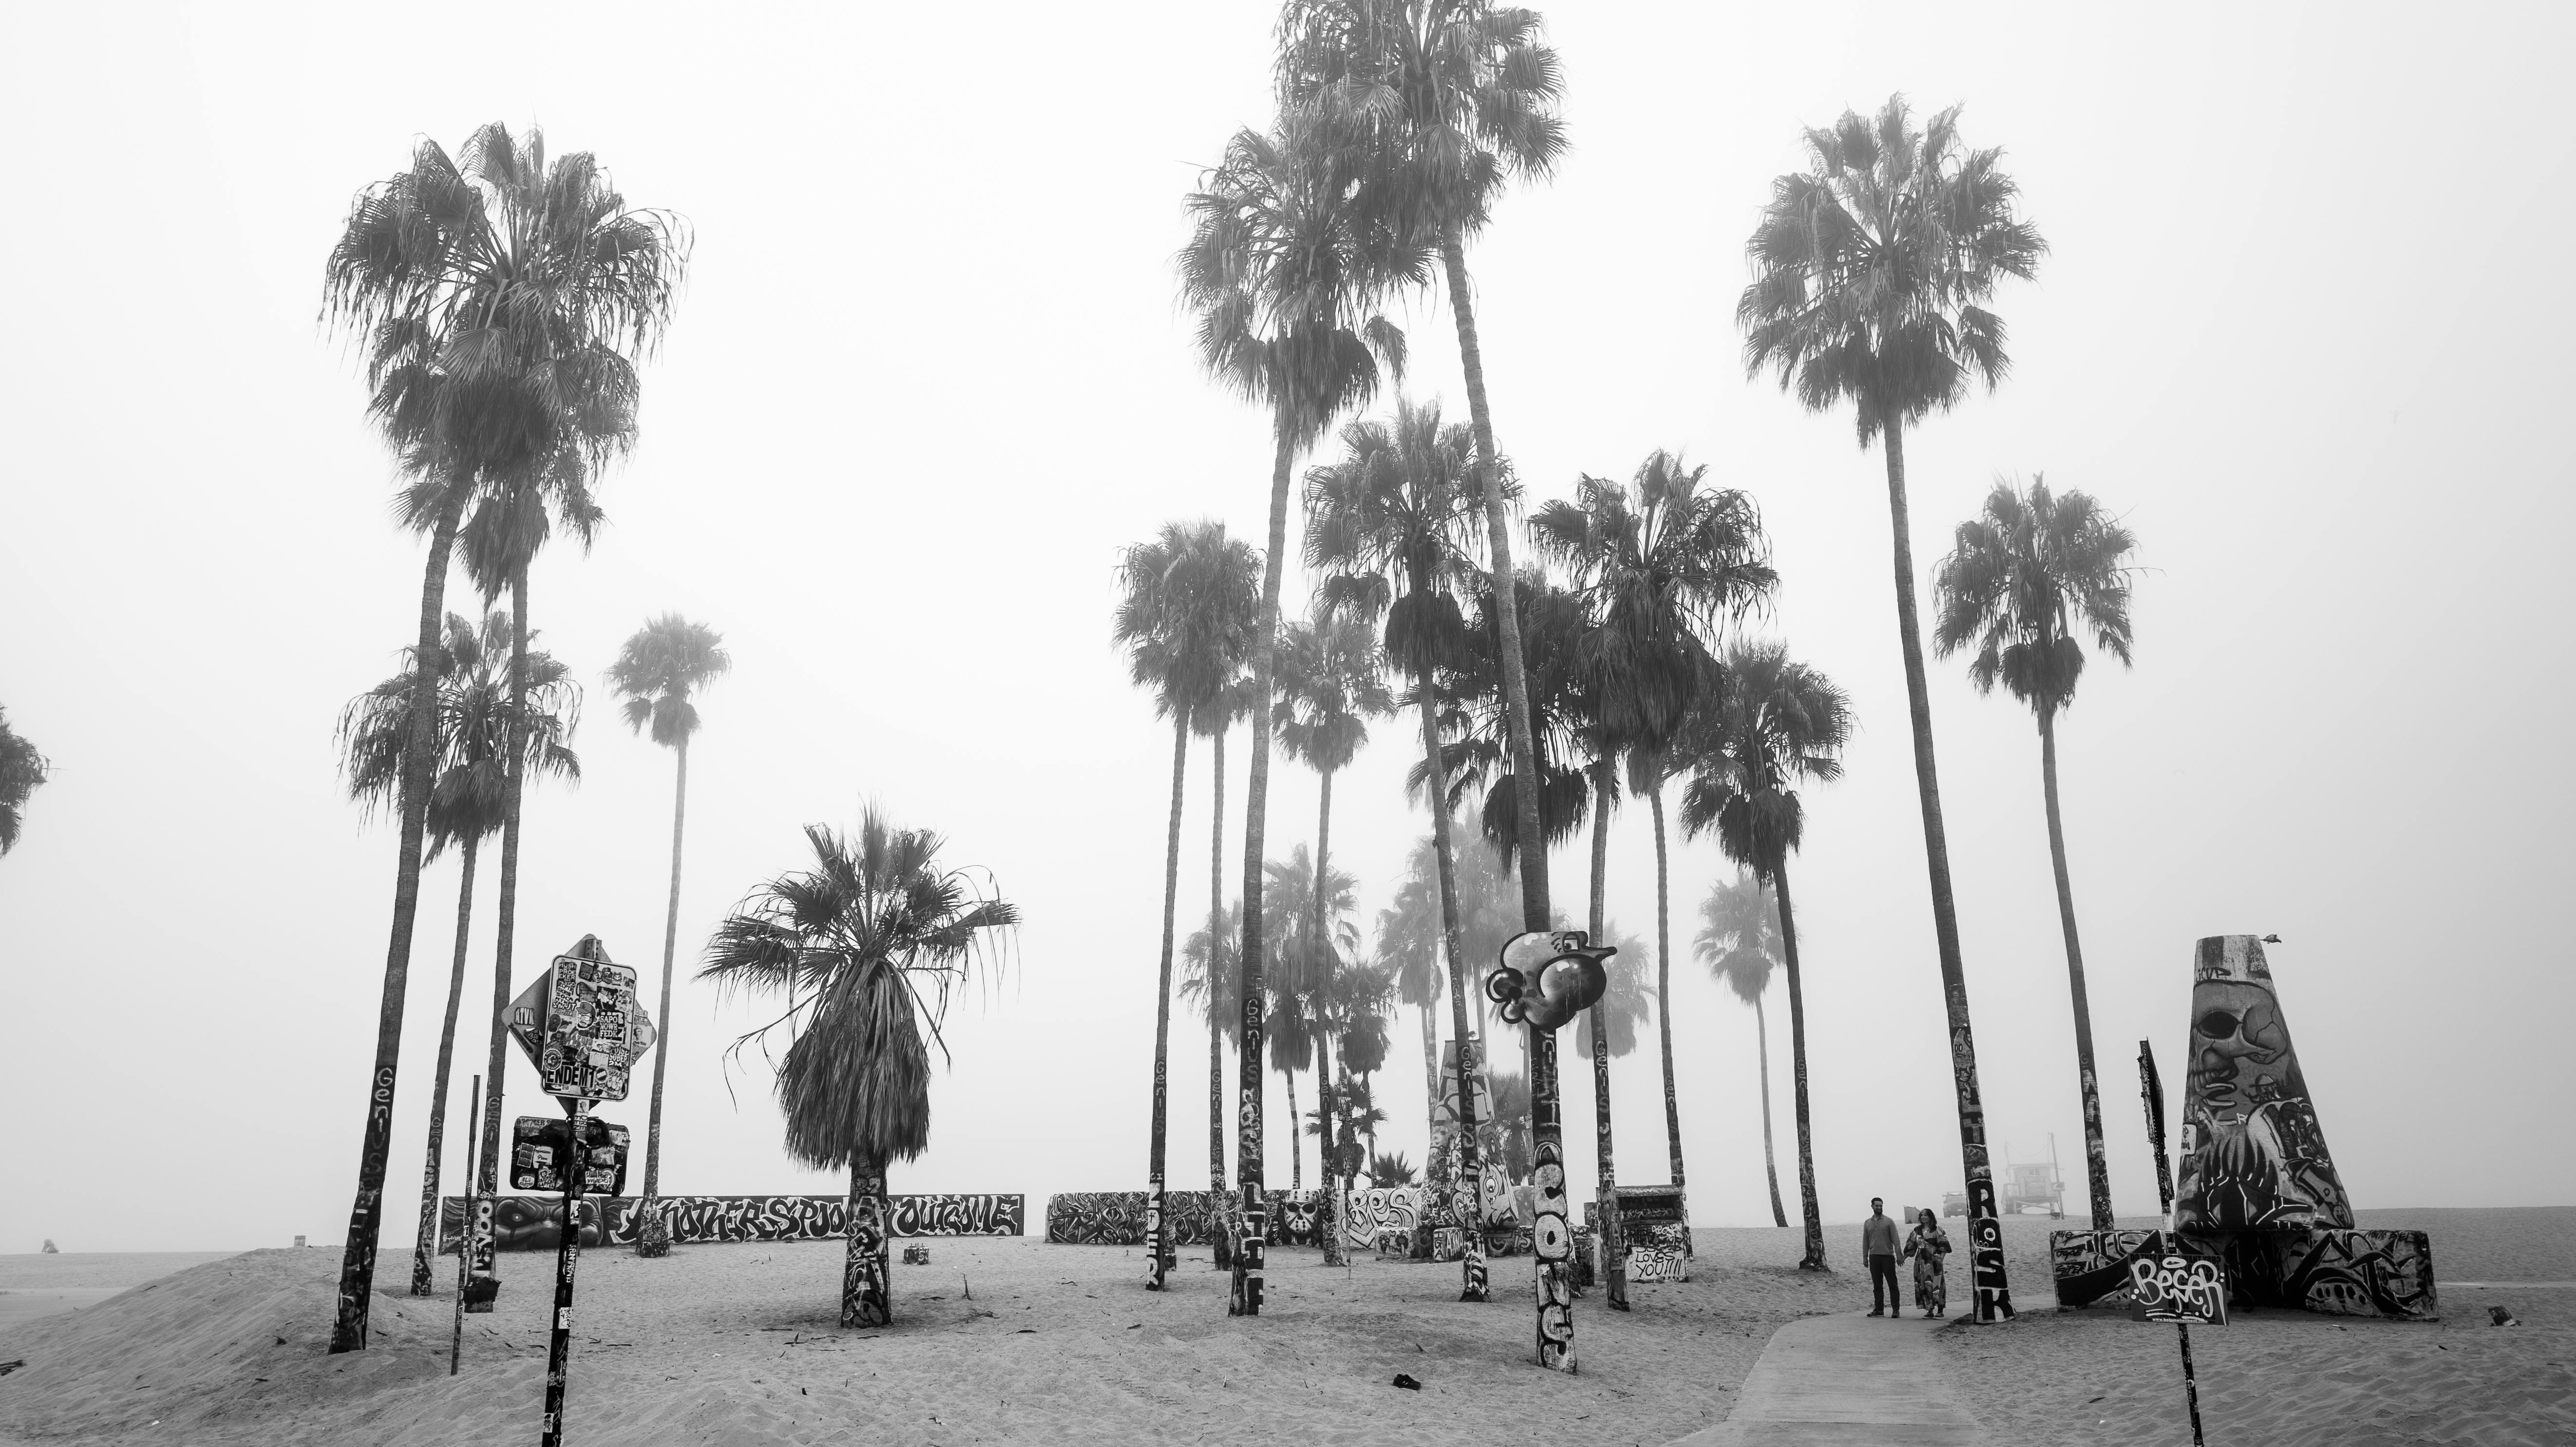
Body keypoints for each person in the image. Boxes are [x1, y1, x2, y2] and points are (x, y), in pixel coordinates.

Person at [1902, 1208, 1953, 1318]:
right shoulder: (1917, 1231)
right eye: (1922, 1216)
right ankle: (1929, 1310)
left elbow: (1944, 1247)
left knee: (1938, 1285)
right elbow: (1911, 1246)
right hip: (1921, 1263)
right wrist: (1903, 1258)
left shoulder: (1937, 1230)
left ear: (1931, 1217)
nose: (1923, 1217)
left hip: (1935, 1262)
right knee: (1923, 1285)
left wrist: (1940, 1260)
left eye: (1926, 1215)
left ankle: (1940, 1311)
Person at [1862, 1198, 1900, 1315]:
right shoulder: (1868, 1223)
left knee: (1892, 1284)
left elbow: (1896, 1239)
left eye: (1881, 1206)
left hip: (1888, 1257)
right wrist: (1865, 1257)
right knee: (1877, 1285)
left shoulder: (1889, 1222)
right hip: (1874, 1257)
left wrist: (1899, 1255)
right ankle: (1879, 1310)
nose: (1879, 1208)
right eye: (1877, 1206)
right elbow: (1866, 1241)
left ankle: (1896, 1310)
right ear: (1872, 1207)